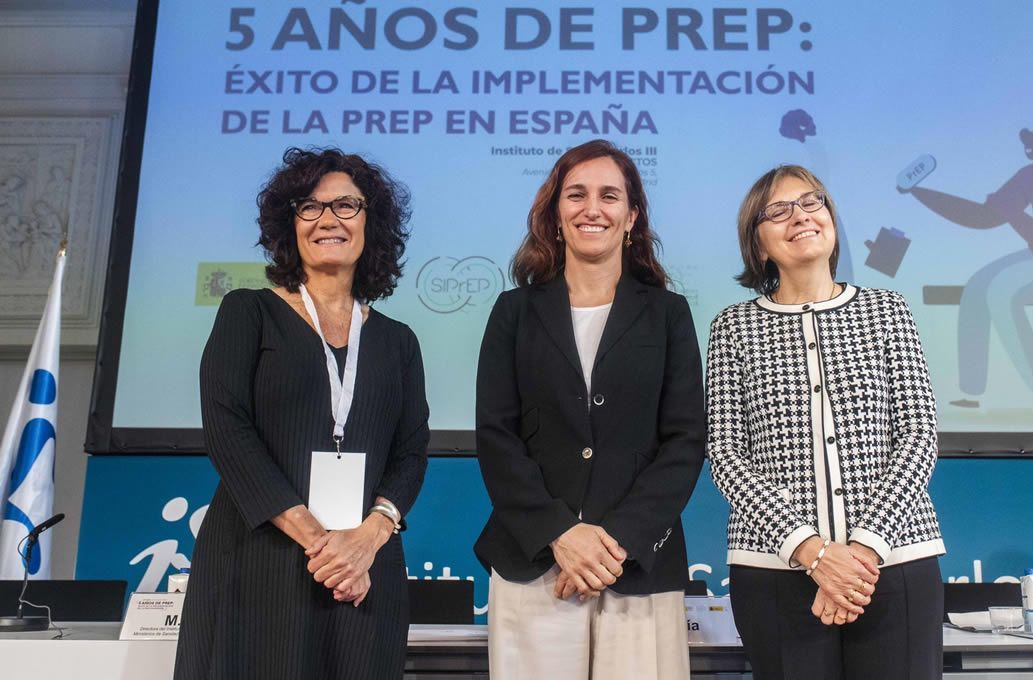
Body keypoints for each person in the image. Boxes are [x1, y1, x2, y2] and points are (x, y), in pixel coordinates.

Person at [174, 148, 430, 680]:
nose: (328, 219)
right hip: (258, 560)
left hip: (364, 571)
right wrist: (324, 546)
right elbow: (227, 431)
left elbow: (410, 453)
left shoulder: (399, 341)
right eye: (309, 207)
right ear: (289, 226)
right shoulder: (248, 312)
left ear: (371, 224)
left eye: (346, 206)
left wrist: (365, 542)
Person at [474, 139, 705, 680]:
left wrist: (613, 544)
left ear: (632, 216)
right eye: (575, 195)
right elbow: (496, 436)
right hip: (536, 564)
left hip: (636, 568)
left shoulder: (669, 314)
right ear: (556, 215)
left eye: (609, 195)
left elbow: (685, 441)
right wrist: (562, 534)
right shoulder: (514, 311)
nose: (591, 208)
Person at [707, 165, 945, 679]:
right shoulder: (733, 327)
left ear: (831, 220)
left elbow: (918, 436)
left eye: (811, 202)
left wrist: (860, 555)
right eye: (778, 210)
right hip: (775, 571)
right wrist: (813, 554)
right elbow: (726, 455)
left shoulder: (887, 311)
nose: (800, 216)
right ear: (758, 244)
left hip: (894, 563)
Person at [901, 128, 1033, 413]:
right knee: (977, 286)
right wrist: (921, 193)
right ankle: (971, 393)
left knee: (1001, 293)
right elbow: (983, 217)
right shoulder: (1028, 176)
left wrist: (1012, 211)